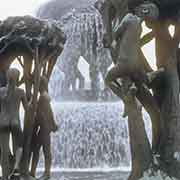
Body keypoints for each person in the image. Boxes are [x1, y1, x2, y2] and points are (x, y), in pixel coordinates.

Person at [105, 2, 159, 96]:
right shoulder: (139, 24)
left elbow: (117, 32)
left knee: (107, 80)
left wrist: (112, 41)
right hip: (136, 64)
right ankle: (145, 78)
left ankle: (125, 94)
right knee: (137, 77)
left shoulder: (128, 18)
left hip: (124, 62)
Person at [0, 68, 28, 180]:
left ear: (7, 77)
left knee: (4, 151)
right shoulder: (21, 92)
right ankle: (16, 169)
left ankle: (5, 176)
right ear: (18, 78)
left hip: (2, 122)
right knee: (19, 147)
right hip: (15, 122)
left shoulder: (0, 91)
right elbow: (27, 108)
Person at [30, 76, 58, 180]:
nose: (34, 86)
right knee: (38, 149)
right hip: (44, 127)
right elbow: (47, 112)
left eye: (35, 84)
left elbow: (46, 113)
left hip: (44, 128)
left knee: (43, 150)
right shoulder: (44, 95)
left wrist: (52, 125)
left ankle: (46, 173)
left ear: (40, 85)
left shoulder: (43, 97)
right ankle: (35, 172)